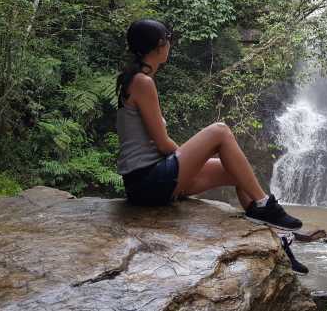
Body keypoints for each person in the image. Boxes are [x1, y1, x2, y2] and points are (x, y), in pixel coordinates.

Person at [115, 19, 302, 232]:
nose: (170, 44)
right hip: (147, 182)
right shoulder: (142, 82)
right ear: (159, 45)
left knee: (237, 168)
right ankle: (265, 204)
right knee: (220, 131)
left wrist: (189, 162)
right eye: (169, 40)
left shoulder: (135, 79)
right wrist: (192, 160)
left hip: (149, 183)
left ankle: (257, 211)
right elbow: (162, 143)